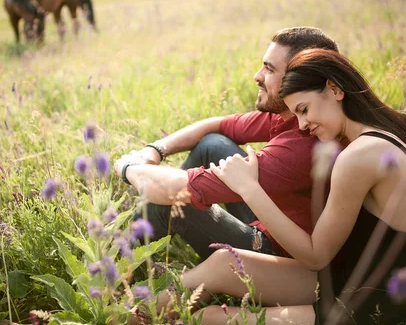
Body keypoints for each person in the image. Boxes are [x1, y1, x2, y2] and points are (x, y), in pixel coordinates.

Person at [176, 48, 406, 324]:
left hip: (386, 305)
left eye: (304, 110)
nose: (303, 125)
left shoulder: (359, 156)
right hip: (361, 277)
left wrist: (250, 188)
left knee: (209, 318)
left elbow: (316, 256)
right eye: (297, 115)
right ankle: (135, 307)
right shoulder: (395, 129)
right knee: (225, 263)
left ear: (334, 89)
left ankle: (137, 312)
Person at [114, 27, 341, 260]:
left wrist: (127, 167)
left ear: (298, 79)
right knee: (213, 144)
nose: (257, 76)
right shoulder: (293, 115)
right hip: (274, 216)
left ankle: (117, 268)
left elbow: (179, 189)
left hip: (279, 252)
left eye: (269, 69)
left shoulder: (303, 143)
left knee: (172, 200)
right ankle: (131, 246)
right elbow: (219, 125)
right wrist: (156, 149)